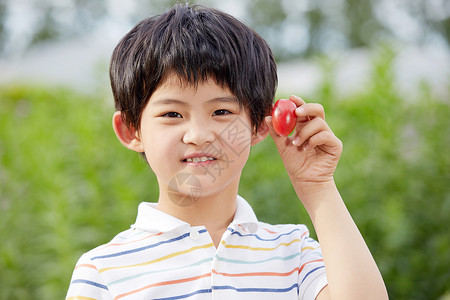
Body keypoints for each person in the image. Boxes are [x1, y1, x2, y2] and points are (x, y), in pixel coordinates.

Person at [66, 3, 388, 300]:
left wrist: (318, 188)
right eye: (172, 114)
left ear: (261, 126)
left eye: (221, 112)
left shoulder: (293, 255)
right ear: (130, 130)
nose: (198, 135)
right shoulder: (103, 272)